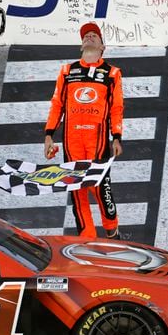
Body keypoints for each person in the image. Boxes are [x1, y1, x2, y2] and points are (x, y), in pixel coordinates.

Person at [43, 22, 124, 239]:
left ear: (102, 47)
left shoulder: (112, 73)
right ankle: (87, 242)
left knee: (101, 187)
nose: (89, 37)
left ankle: (112, 231)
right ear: (81, 46)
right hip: (72, 140)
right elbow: (57, 104)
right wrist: (49, 135)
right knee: (77, 192)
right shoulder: (67, 71)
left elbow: (116, 107)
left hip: (97, 140)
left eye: (94, 35)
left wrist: (117, 136)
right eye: (86, 36)